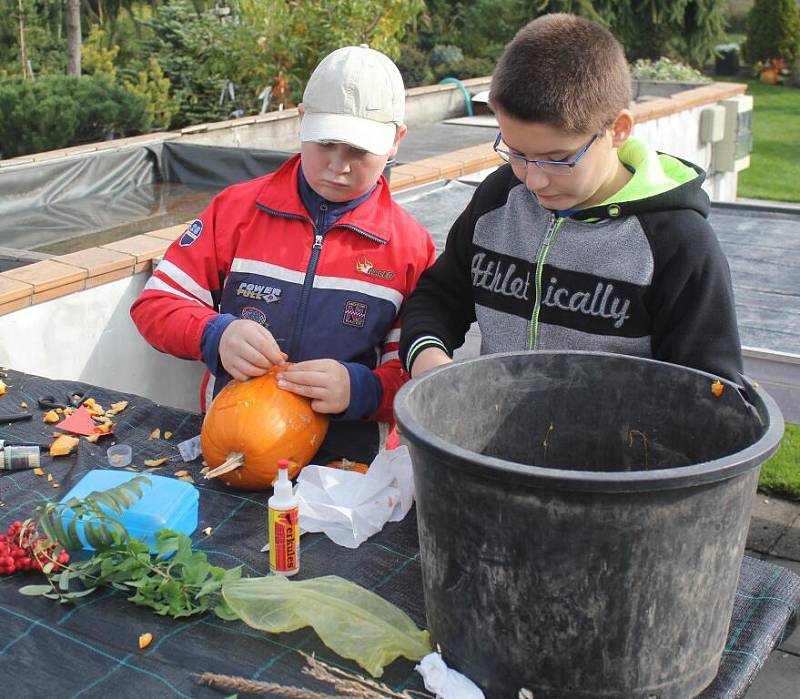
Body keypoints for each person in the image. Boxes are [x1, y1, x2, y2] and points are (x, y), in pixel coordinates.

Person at [131, 45, 436, 465]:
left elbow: (419, 377)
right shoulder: (235, 211)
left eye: (359, 151)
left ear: (397, 141)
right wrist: (215, 334)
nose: (338, 166)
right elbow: (155, 305)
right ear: (301, 120)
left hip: (349, 467)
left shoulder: (410, 248)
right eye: (325, 143)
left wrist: (362, 389)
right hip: (234, 449)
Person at [399, 14, 742, 384]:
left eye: (559, 159)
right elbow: (440, 295)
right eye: (516, 152)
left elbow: (711, 391)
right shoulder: (498, 198)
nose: (534, 180)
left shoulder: (678, 244)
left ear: (618, 129)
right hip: (485, 437)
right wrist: (428, 358)